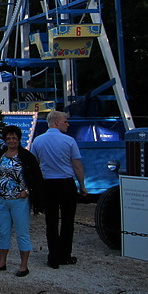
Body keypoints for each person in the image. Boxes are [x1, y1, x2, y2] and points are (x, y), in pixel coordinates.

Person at [30, 110, 86, 269]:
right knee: (68, 221)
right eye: (65, 121)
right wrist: (82, 185)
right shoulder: (69, 141)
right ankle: (65, 255)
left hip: (48, 184)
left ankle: (53, 257)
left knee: (51, 222)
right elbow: (77, 165)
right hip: (66, 183)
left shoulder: (38, 141)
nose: (68, 124)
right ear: (56, 122)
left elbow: (34, 165)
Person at [0, 125, 44, 277]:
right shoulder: (0, 155)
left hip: (19, 201)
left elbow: (36, 177)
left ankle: (23, 265)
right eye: (8, 138)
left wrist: (27, 191)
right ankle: (1, 262)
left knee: (22, 233)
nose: (11, 141)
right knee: (3, 232)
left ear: (19, 139)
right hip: (2, 200)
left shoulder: (26, 157)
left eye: (13, 138)